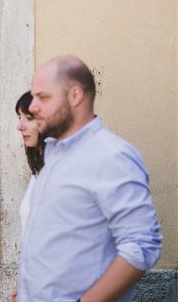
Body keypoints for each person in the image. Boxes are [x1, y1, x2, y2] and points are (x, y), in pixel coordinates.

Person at [18, 56, 162, 302]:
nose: (32, 107)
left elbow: (141, 245)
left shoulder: (111, 156)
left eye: (43, 98)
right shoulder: (54, 153)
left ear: (75, 96)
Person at [16, 91, 45, 236]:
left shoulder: (66, 171)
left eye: (28, 118)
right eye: (19, 117)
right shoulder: (39, 169)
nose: (20, 126)